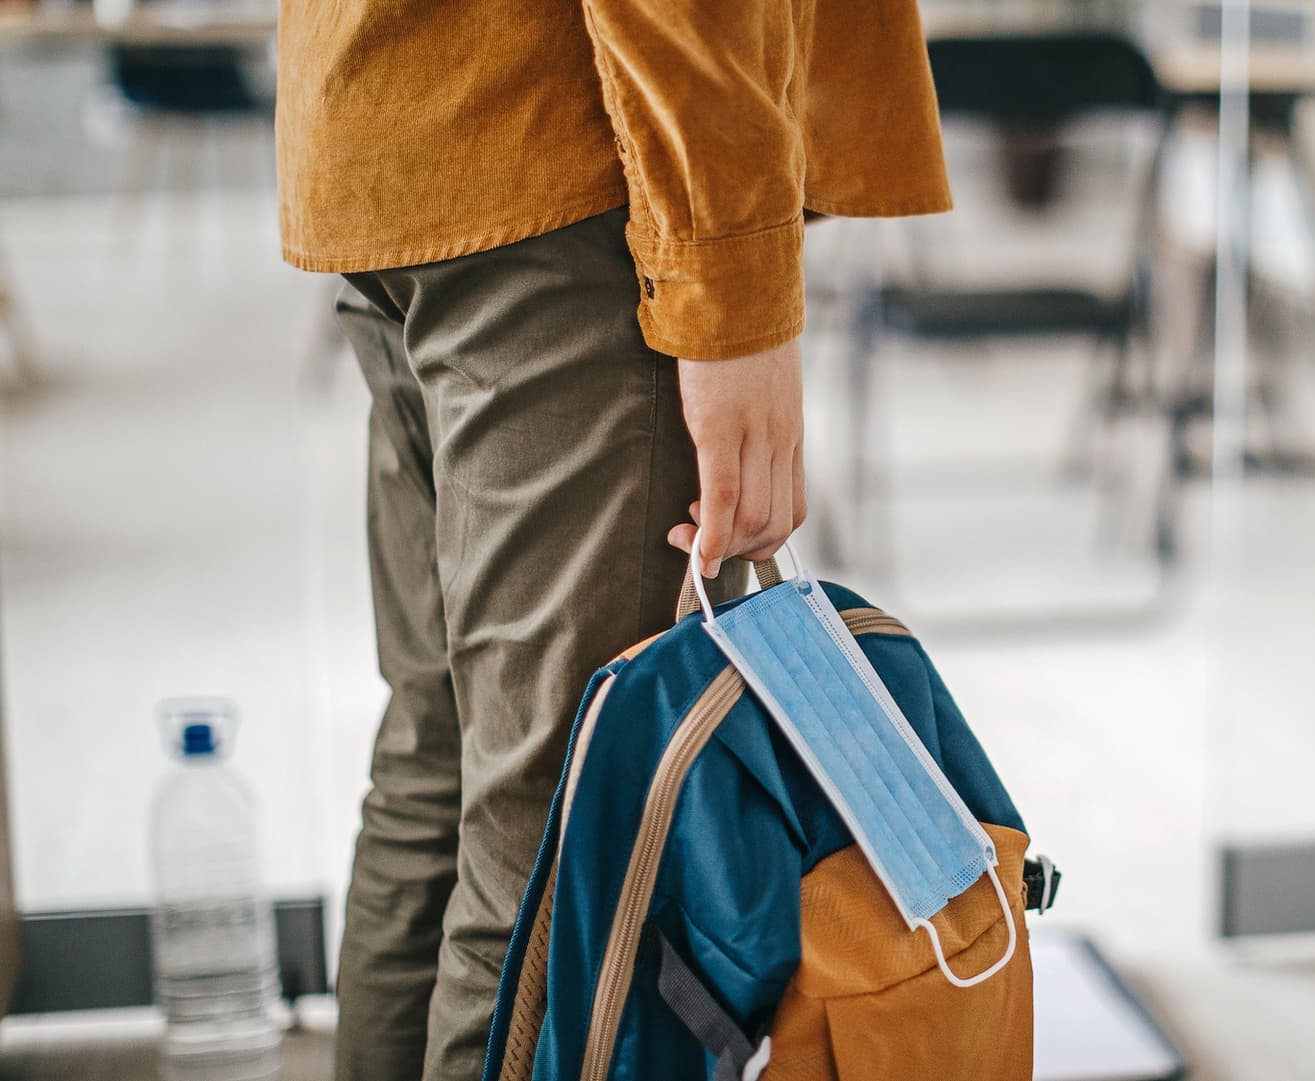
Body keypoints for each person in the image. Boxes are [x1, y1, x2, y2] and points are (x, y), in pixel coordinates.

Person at [274, 4, 953, 1079]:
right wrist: (730, 292)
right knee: (552, 852)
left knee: (441, 775)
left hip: (394, 126)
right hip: (570, 151)